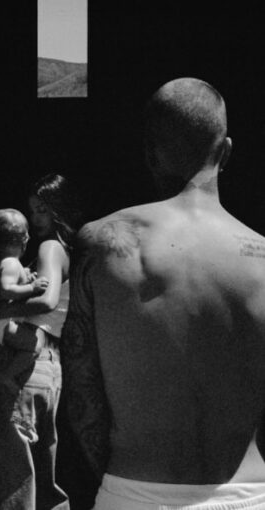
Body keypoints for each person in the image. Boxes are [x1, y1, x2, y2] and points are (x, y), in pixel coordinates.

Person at [61, 78, 265, 510]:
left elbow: (82, 393)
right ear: (226, 151)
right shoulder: (262, 257)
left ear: (150, 153)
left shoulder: (102, 242)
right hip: (249, 493)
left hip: (134, 490)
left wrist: (124, 488)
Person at [0, 174, 81, 510]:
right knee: (40, 482)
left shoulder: (49, 248)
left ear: (59, 210)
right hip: (48, 363)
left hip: (27, 359)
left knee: (9, 481)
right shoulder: (66, 251)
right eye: (32, 210)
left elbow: (47, 301)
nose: (34, 219)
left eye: (42, 211)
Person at [0, 208, 51, 393]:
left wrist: (26, 277)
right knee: (34, 346)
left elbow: (10, 283)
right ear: (23, 239)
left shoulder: (4, 262)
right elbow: (6, 290)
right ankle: (8, 375)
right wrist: (32, 287)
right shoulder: (11, 263)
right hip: (1, 322)